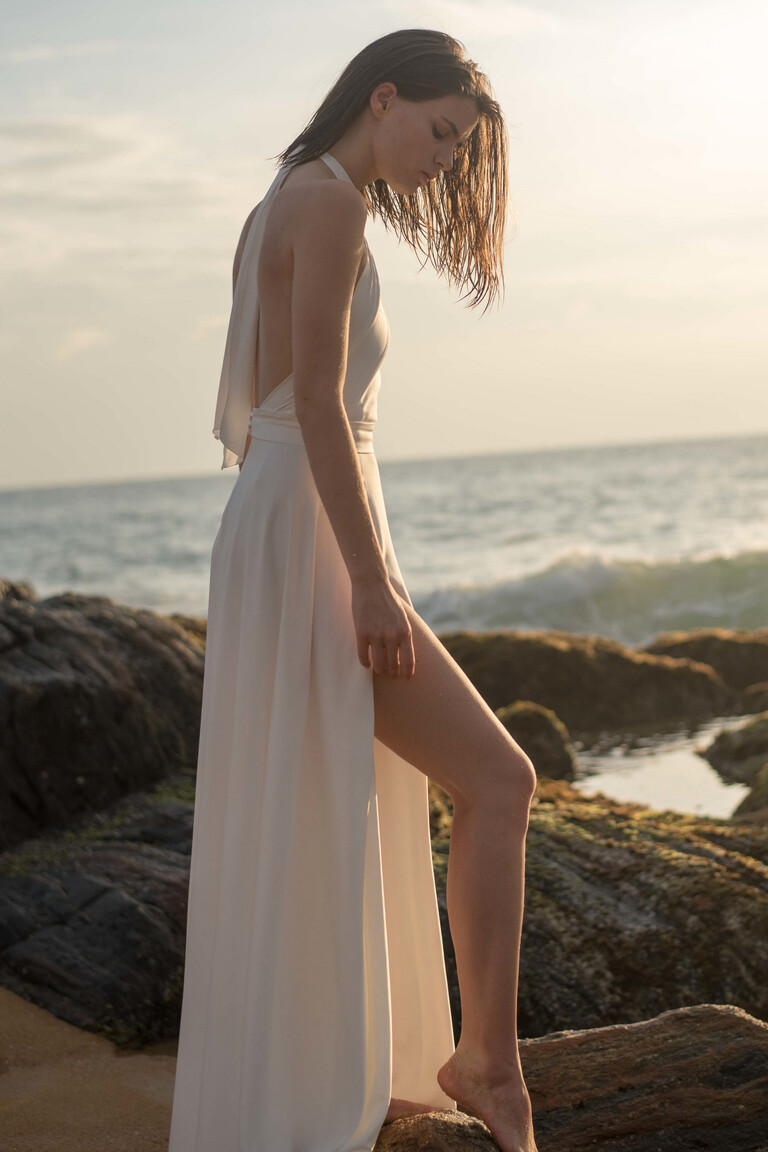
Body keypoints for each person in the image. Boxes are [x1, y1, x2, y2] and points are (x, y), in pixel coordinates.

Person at [168, 27, 539, 1152]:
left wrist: (358, 560)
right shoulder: (327, 203)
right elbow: (317, 403)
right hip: (312, 538)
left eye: (458, 147)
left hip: (294, 524)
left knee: (345, 792)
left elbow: (279, 416)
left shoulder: (294, 195)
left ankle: (387, 1058)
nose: (443, 161)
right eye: (438, 133)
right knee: (501, 778)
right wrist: (371, 583)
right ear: (382, 98)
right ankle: (490, 1064)